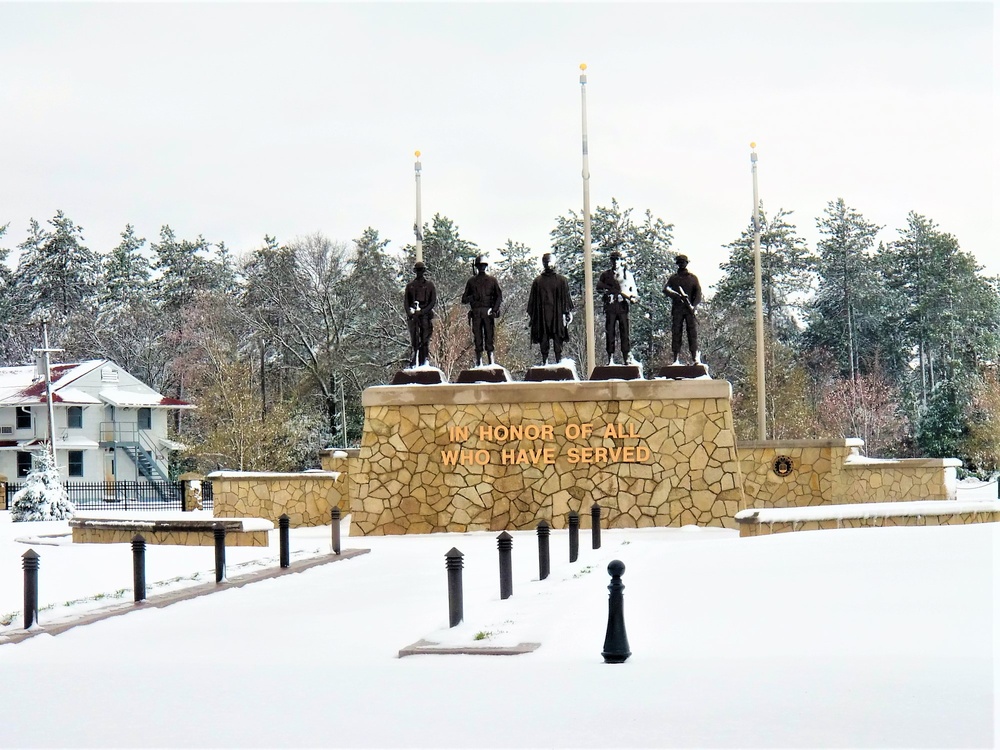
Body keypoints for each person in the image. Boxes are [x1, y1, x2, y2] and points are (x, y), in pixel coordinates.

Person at [527, 253, 574, 365]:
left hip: (552, 315)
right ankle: (548, 362)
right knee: (548, 337)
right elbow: (533, 302)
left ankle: (552, 361)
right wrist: (568, 313)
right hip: (548, 315)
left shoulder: (556, 280)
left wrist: (567, 312)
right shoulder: (539, 281)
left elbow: (566, 299)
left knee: (553, 338)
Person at [595, 250, 639, 365]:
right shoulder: (605, 275)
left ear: (621, 261)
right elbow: (599, 287)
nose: (615, 262)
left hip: (622, 305)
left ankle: (626, 357)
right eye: (613, 259)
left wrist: (633, 297)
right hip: (610, 305)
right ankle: (610, 358)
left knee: (625, 332)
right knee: (610, 332)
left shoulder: (627, 274)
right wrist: (607, 290)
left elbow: (633, 290)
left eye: (617, 259)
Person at [461, 255, 503, 367]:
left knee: (489, 336)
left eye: (483, 266)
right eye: (480, 266)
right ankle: (479, 361)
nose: (482, 268)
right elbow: (464, 299)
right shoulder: (471, 281)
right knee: (478, 337)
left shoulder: (492, 280)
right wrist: (472, 297)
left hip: (488, 312)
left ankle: (491, 361)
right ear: (477, 267)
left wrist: (494, 310)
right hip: (476, 313)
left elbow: (499, 296)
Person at [662, 254, 702, 365]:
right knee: (676, 333)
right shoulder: (674, 278)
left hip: (689, 310)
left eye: (683, 262)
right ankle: (675, 358)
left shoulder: (692, 278)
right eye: (679, 262)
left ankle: (694, 357)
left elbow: (698, 294)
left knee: (692, 334)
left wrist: (693, 306)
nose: (681, 264)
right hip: (677, 309)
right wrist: (676, 295)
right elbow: (666, 289)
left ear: (686, 263)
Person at [404, 261, 436, 368]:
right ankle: (416, 359)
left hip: (425, 316)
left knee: (425, 339)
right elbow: (406, 302)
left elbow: (432, 301)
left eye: (421, 270)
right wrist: (411, 313)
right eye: (418, 271)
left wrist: (423, 311)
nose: (419, 273)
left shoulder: (429, 285)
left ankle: (424, 360)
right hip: (414, 317)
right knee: (415, 339)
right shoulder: (410, 286)